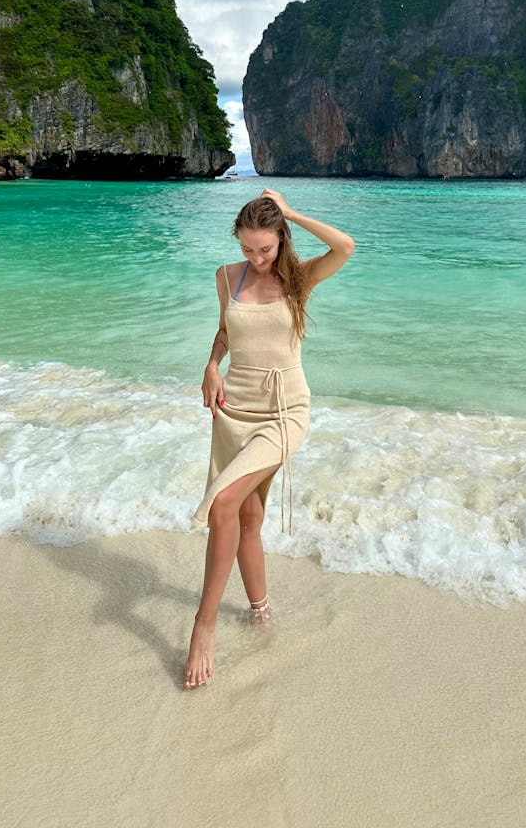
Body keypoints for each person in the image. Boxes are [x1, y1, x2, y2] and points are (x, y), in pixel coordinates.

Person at [184, 188, 355, 688]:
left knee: (224, 505)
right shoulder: (227, 277)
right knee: (247, 514)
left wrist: (292, 211)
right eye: (247, 250)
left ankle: (203, 626)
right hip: (233, 407)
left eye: (265, 248)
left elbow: (345, 246)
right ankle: (260, 609)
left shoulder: (299, 280)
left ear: (282, 238)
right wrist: (212, 366)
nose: (256, 259)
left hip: (284, 412)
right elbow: (224, 332)